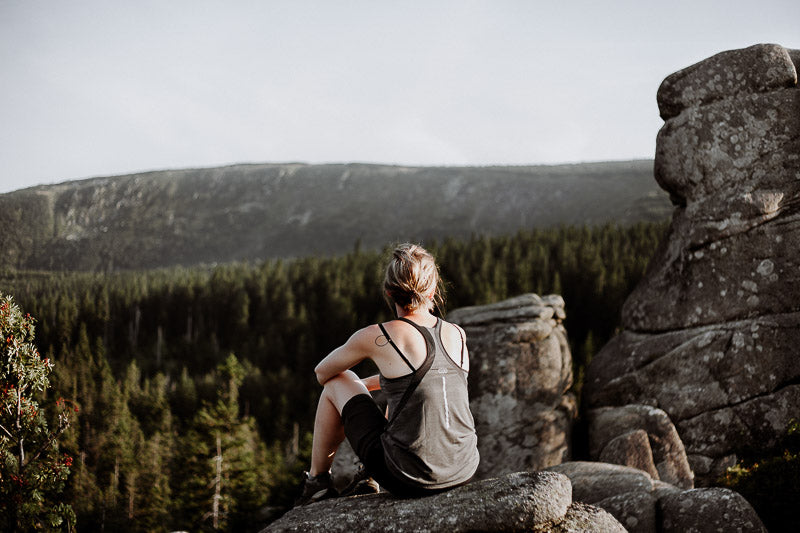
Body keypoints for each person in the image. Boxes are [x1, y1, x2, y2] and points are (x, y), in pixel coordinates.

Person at [295, 243, 480, 505]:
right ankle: (366, 476)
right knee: (403, 399)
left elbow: (322, 373)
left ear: (389, 291)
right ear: (433, 290)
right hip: (463, 469)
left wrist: (357, 386)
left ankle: (317, 482)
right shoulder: (457, 334)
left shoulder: (379, 335)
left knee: (339, 380)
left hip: (408, 477)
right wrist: (376, 384)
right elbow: (425, 386)